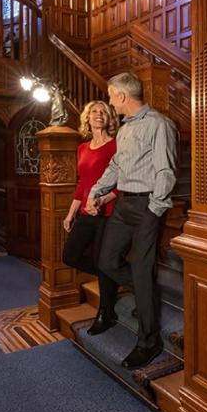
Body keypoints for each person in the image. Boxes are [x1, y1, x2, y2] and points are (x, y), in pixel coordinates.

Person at [86, 72, 178, 369]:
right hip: (124, 203)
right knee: (107, 261)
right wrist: (97, 191)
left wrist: (155, 209)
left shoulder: (159, 125)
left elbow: (165, 171)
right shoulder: (125, 129)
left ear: (122, 96)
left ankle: (149, 342)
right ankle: (146, 292)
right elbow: (116, 165)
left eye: (111, 97)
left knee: (141, 268)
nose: (111, 103)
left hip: (147, 205)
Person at [62, 101, 119, 336]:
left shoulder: (116, 145)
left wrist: (102, 200)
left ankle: (106, 313)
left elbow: (123, 183)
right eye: (95, 112)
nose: (99, 115)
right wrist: (71, 213)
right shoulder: (83, 148)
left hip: (108, 213)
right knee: (70, 256)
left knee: (101, 259)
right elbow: (82, 183)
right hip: (86, 213)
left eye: (104, 112)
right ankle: (113, 276)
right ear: (87, 118)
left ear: (109, 119)